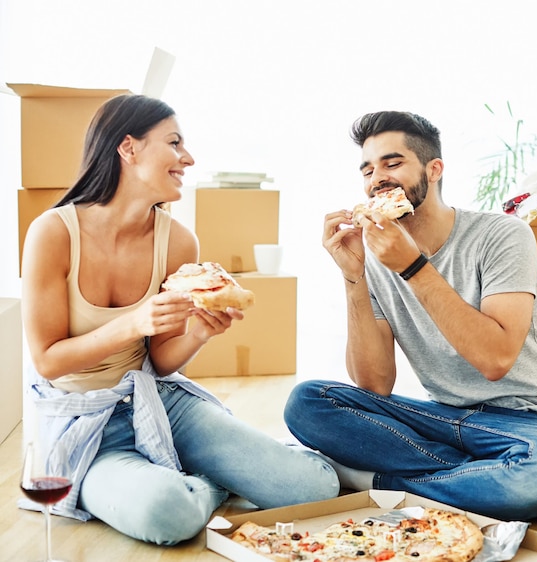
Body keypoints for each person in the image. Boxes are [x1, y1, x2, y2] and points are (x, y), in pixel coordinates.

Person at [20, 94, 339, 545]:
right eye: (174, 143)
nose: (187, 158)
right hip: (85, 424)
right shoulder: (53, 233)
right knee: (167, 514)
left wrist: (197, 334)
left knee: (312, 488)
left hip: (160, 402)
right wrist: (133, 322)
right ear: (128, 149)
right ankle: (199, 479)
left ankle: (187, 469)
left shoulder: (178, 243)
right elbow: (49, 361)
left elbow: (162, 360)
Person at [284, 111, 537, 522]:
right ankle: (476, 481)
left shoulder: (501, 235)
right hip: (441, 417)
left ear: (434, 169)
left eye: (393, 163)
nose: (377, 179)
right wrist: (353, 276)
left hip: (525, 422)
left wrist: (412, 266)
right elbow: (374, 383)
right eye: (368, 170)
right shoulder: (376, 258)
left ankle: (374, 484)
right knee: (307, 402)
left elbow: (495, 360)